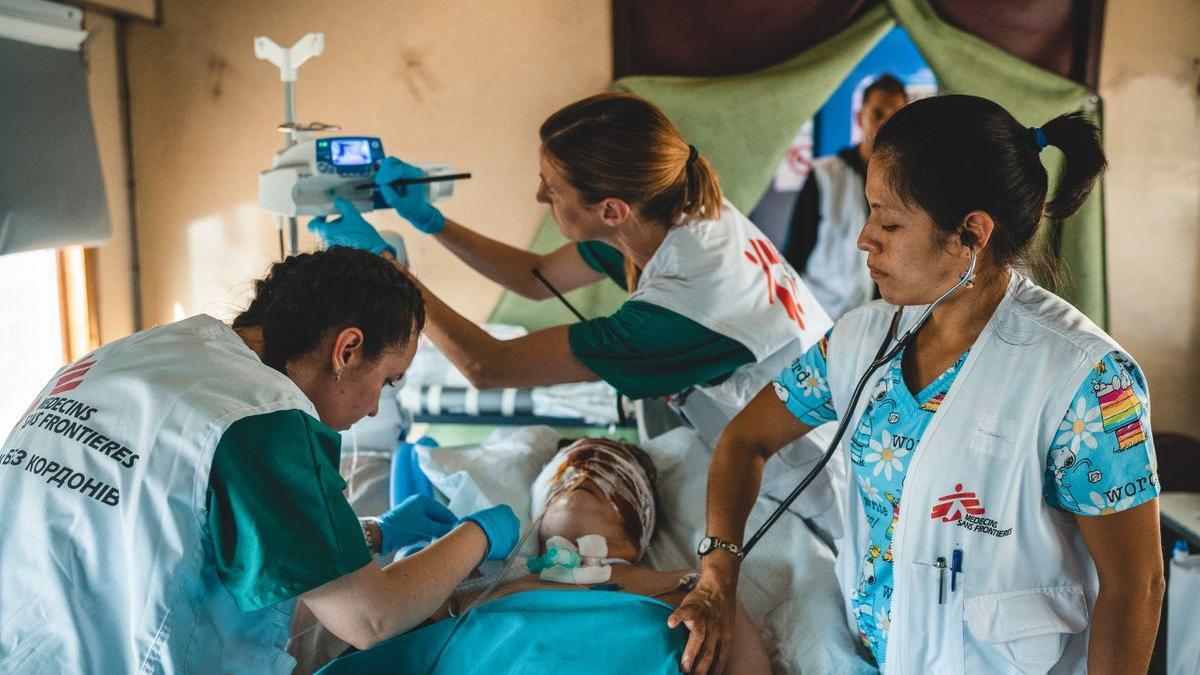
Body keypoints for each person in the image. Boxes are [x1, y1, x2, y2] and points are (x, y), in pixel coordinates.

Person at [670, 95, 1164, 675]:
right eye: (869, 212)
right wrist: (718, 573)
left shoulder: (1087, 382)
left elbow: (1137, 585)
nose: (864, 239)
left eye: (890, 221)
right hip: (870, 657)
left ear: (971, 235)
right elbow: (743, 442)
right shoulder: (857, 341)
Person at [311, 92, 844, 534]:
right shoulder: (671, 209)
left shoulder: (685, 308)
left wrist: (388, 271)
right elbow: (536, 277)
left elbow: (487, 368)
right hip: (778, 446)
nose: (540, 194)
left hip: (808, 489)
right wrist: (432, 222)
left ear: (610, 210)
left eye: (553, 187)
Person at [0, 247, 520, 673]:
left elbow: (154, 517)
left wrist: (367, 535)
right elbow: (371, 619)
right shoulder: (262, 416)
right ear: (347, 350)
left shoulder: (131, 355)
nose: (374, 407)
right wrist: (475, 534)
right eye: (386, 380)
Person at [316, 438, 771, 674]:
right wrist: (420, 556)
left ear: (640, 535)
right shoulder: (476, 585)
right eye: (563, 477)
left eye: (606, 476)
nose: (581, 477)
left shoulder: (700, 589)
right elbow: (377, 625)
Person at [784, 74, 908, 320]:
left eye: (896, 115)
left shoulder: (910, 187)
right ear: (860, 117)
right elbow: (794, 258)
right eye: (878, 113)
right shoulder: (824, 176)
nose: (886, 123)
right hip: (820, 321)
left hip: (880, 324)